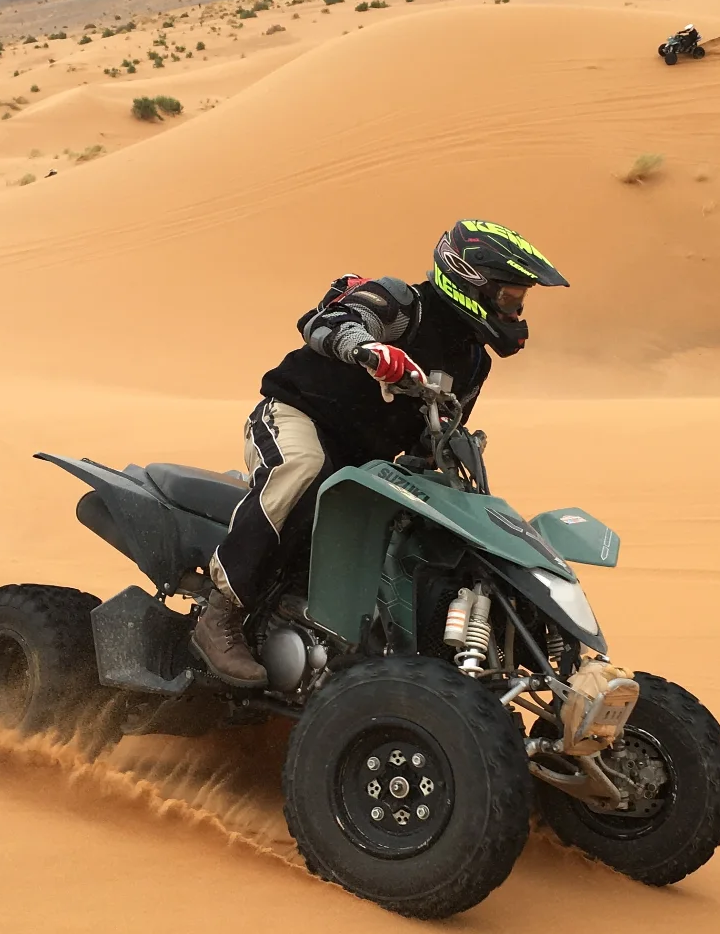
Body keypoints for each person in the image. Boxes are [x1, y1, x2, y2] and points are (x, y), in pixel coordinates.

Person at [191, 219, 570, 686]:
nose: (516, 311)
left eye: (520, 301)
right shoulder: (401, 304)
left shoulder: (473, 362)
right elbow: (324, 323)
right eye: (510, 298)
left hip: (363, 462)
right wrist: (369, 349)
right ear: (471, 282)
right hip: (296, 417)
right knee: (303, 468)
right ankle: (221, 615)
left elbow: (437, 437)